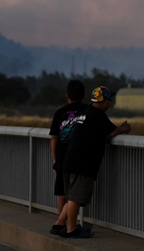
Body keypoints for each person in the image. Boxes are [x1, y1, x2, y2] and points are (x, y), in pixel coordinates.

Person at [53, 85, 131, 238]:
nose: (110, 103)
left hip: (70, 161)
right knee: (76, 197)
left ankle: (59, 223)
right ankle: (71, 229)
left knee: (72, 197)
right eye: (109, 100)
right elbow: (113, 131)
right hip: (82, 163)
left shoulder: (87, 112)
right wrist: (124, 128)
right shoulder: (97, 114)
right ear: (105, 101)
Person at [48, 80, 89, 235]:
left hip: (62, 158)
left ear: (67, 96)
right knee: (75, 193)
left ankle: (62, 223)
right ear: (84, 95)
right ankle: (68, 224)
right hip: (80, 158)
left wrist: (55, 159)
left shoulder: (60, 113)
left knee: (62, 193)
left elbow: (54, 137)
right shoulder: (87, 111)